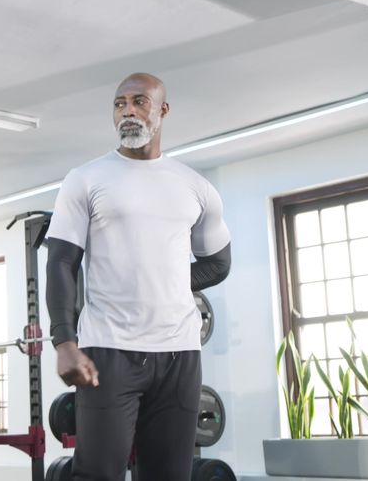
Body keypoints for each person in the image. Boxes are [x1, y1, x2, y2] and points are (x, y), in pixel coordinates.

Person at [44, 73, 231, 481]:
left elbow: (218, 263)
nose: (128, 110)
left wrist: (164, 282)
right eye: (119, 103)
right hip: (108, 351)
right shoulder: (86, 179)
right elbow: (61, 262)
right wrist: (63, 341)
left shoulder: (195, 187)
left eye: (139, 101)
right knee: (97, 474)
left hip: (179, 354)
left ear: (162, 110)